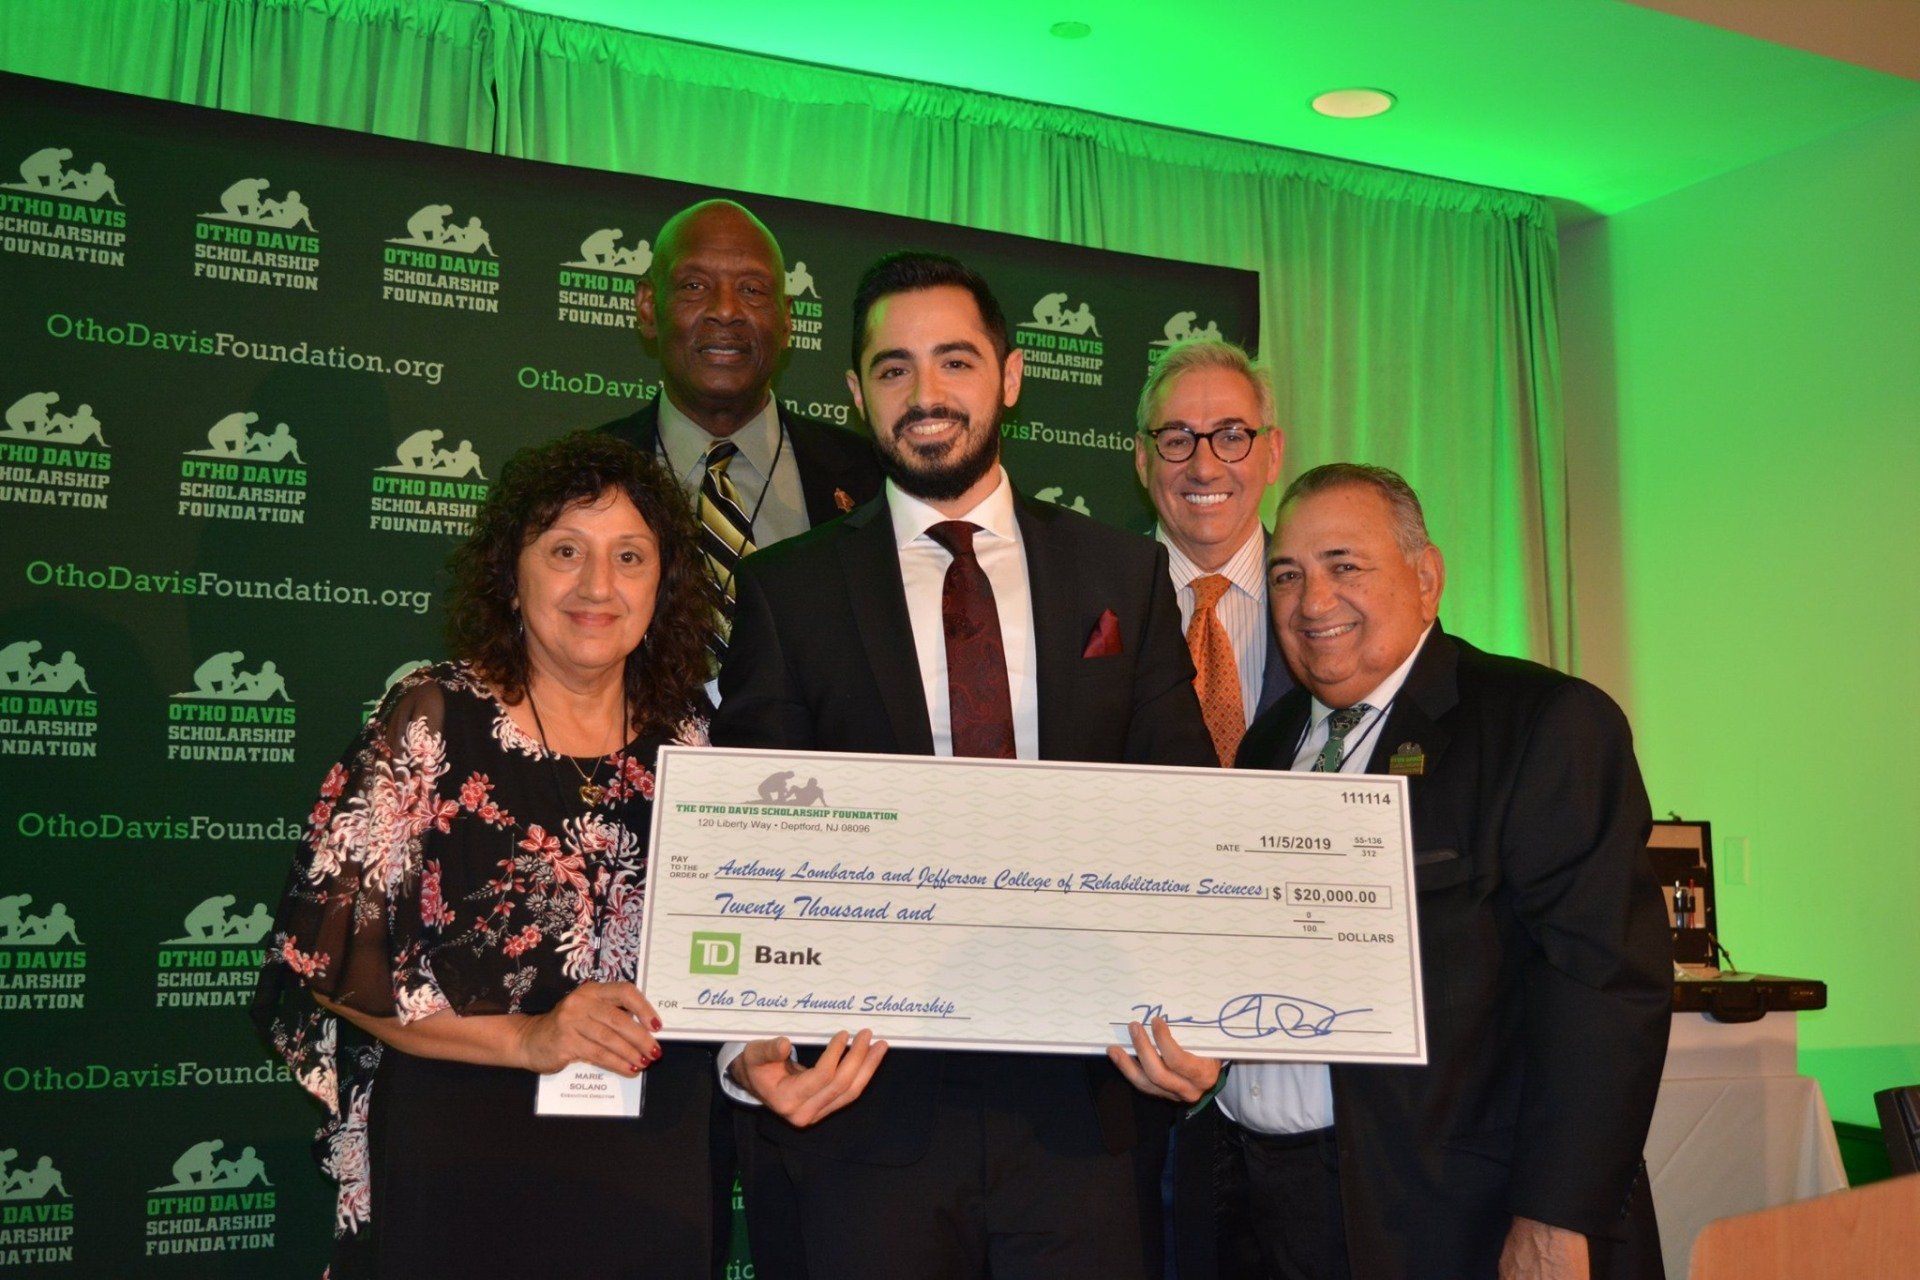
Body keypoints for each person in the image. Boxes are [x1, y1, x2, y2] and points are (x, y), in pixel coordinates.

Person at [712, 251, 1215, 1280]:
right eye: (894, 369)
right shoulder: (787, 592)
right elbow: (752, 839)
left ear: (1012, 375)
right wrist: (749, 1036)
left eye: (955, 361)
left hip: (1087, 1114)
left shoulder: (1122, 574)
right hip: (863, 1114)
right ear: (855, 393)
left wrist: (1203, 1019)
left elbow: (1186, 812)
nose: (926, 393)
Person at [1117, 463, 1671, 1280]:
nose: (1314, 601)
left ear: (1426, 576)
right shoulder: (1268, 750)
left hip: (1443, 1222)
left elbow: (1603, 991)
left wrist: (1556, 1219)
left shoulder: (1541, 725)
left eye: (1346, 566)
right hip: (1252, 1207)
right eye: (1287, 575)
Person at [253, 431, 727, 1278]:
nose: (597, 586)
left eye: (629, 556)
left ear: (665, 584)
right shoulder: (432, 718)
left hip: (652, 1161)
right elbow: (325, 960)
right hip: (464, 1152)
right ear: (513, 574)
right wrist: (528, 1038)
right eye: (564, 552)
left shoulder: (693, 740)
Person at [600, 199, 881, 663]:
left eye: (752, 290)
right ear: (648, 307)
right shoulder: (582, 475)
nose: (726, 311)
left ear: (787, 318)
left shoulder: (873, 482)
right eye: (695, 286)